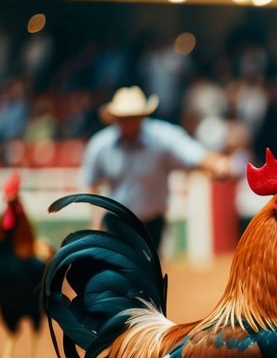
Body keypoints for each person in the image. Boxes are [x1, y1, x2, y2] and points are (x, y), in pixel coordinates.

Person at [81, 86, 231, 249]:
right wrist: (96, 225)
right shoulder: (100, 145)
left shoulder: (161, 137)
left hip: (152, 224)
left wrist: (214, 163)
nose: (130, 122)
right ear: (115, 118)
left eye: (134, 117)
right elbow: (92, 184)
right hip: (117, 223)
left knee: (149, 272)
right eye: (125, 117)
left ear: (143, 116)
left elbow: (190, 151)